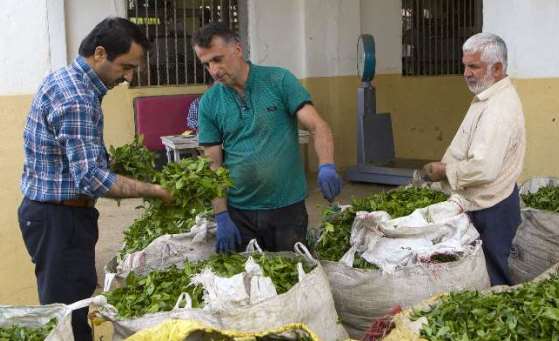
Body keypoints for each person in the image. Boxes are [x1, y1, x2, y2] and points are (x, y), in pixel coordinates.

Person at [18, 17, 173, 340]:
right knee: (68, 318)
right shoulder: (77, 98)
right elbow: (90, 178)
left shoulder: (68, 80)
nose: (129, 78)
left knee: (72, 305)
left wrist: (113, 162)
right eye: (125, 67)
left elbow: (75, 158)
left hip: (57, 214)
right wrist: (156, 190)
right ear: (100, 54)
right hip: (59, 219)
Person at [191, 23, 342, 253]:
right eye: (207, 64)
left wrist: (327, 164)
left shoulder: (278, 81)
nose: (214, 70)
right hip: (239, 213)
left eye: (218, 59)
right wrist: (221, 214)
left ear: (238, 49)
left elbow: (317, 125)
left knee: (292, 276)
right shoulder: (209, 102)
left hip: (287, 209)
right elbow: (212, 164)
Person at [420, 32, 526, 286]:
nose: (466, 73)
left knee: (495, 276)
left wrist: (445, 170)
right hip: (482, 202)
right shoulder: (487, 96)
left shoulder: (499, 108)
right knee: (483, 273)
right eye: (465, 65)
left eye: (474, 66)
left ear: (497, 68)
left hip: (492, 207)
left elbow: (484, 168)